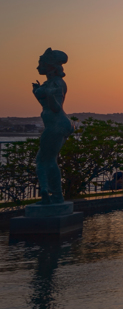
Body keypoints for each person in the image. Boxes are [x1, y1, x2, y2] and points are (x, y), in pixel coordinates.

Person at [33, 48, 74, 205]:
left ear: (51, 66)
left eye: (41, 63)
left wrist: (48, 95)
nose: (38, 67)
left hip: (57, 126)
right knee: (44, 160)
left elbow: (56, 108)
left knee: (47, 160)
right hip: (57, 125)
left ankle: (55, 195)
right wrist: (38, 93)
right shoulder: (50, 83)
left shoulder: (56, 83)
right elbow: (47, 107)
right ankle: (46, 191)